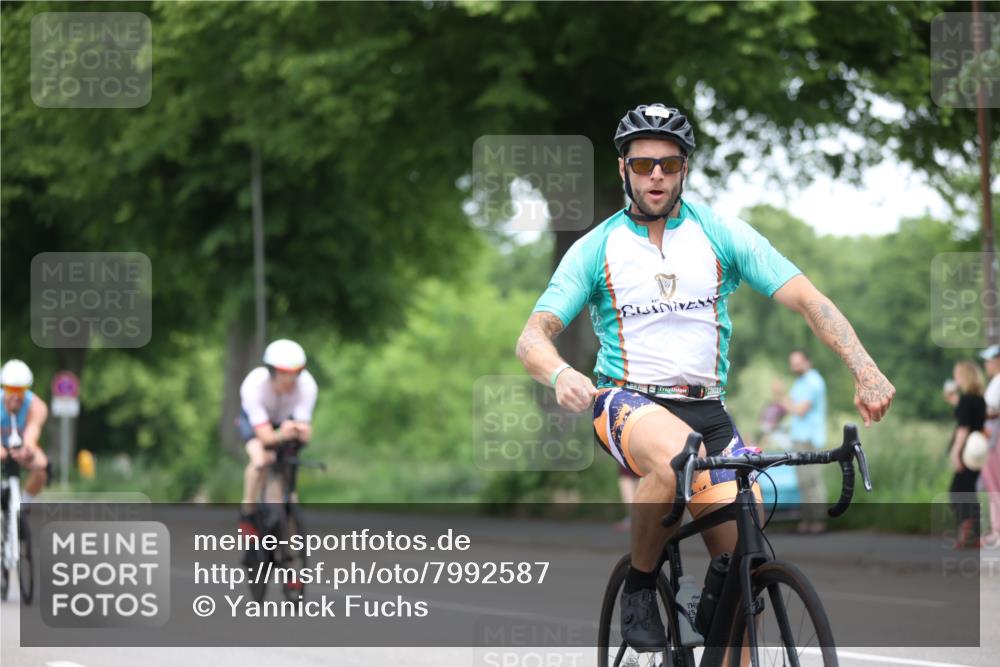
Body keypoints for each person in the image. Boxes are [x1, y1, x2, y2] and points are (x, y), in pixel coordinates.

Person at [515, 103, 895, 651]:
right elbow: (532, 337)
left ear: (685, 169)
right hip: (627, 403)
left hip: (708, 411)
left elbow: (808, 300)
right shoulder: (596, 247)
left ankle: (714, 617)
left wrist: (865, 367)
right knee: (674, 458)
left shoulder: (720, 234)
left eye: (668, 166)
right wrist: (560, 374)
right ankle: (642, 586)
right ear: (623, 168)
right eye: (643, 165)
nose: (656, 177)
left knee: (744, 559)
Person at [237, 340, 317, 551]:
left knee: (287, 492)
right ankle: (247, 514)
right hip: (256, 423)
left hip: (284, 422)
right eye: (283, 373)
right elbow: (265, 438)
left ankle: (290, 559)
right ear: (272, 371)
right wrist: (282, 433)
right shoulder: (254, 385)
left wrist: (301, 432)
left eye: (296, 373)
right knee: (261, 459)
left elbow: (305, 434)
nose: (290, 379)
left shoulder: (307, 386)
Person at [783, 349, 828, 534]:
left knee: (812, 481)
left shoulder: (813, 381)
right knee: (803, 481)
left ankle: (818, 520)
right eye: (791, 362)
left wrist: (781, 397)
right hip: (799, 437)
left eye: (797, 362)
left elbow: (799, 409)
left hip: (809, 439)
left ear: (806, 361)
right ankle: (808, 520)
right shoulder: (800, 382)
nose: (793, 366)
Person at [948, 360, 986, 550]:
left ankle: (966, 530)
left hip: (966, 451)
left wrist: (955, 452)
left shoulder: (966, 400)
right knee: (970, 491)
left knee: (956, 491)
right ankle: (975, 535)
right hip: (978, 451)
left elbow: (963, 427)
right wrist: (956, 403)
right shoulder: (979, 399)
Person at [0, 360, 50, 504]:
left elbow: (31, 436)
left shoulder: (37, 406)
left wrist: (28, 450)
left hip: (20, 445)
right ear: (4, 388)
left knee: (42, 465)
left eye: (20, 390)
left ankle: (24, 505)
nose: (15, 396)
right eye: (10, 389)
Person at [978, 345, 1000, 547]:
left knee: (994, 487)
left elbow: (993, 412)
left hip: (994, 441)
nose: (987, 365)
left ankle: (997, 532)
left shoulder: (998, 382)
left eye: (990, 360)